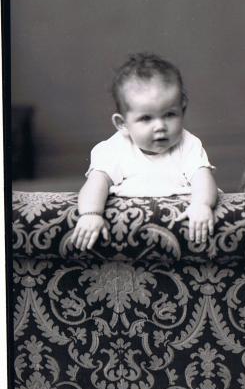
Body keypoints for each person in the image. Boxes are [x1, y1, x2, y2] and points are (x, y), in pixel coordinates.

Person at [71, 52, 218, 252]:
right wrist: (91, 214)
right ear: (122, 124)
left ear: (182, 110)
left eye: (169, 115)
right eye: (146, 118)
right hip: (130, 239)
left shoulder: (188, 144)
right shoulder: (113, 150)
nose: (160, 126)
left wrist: (202, 204)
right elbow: (96, 182)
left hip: (180, 237)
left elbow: (202, 177)